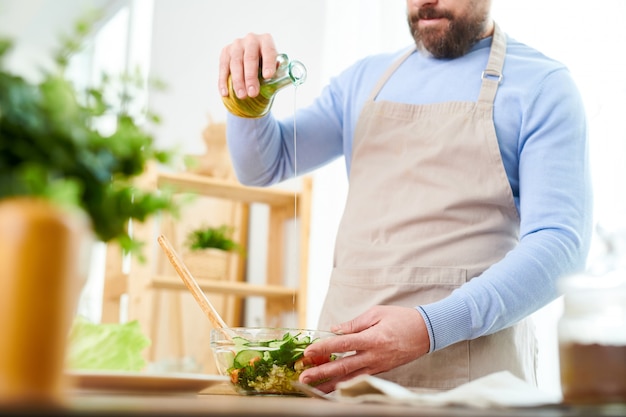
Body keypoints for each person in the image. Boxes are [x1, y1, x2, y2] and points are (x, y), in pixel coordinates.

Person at [217, 0, 593, 393]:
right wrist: (246, 95)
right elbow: (263, 165)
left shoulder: (542, 85)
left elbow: (560, 246)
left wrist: (430, 328)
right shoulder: (364, 79)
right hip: (342, 374)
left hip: (471, 382)